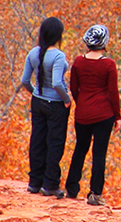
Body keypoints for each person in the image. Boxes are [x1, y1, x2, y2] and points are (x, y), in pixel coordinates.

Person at [65, 24, 120, 206]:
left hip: (83, 114)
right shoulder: (109, 64)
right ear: (104, 42)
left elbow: (73, 88)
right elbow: (113, 92)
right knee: (99, 153)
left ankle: (71, 188)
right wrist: (117, 116)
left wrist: (82, 104)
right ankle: (95, 194)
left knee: (80, 149)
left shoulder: (78, 62)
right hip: (104, 115)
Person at [19, 16, 72, 197]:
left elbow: (25, 80)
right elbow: (57, 83)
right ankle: (50, 184)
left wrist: (36, 93)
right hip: (55, 104)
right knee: (55, 143)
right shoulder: (58, 55)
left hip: (38, 101)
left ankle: (35, 182)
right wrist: (67, 100)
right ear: (58, 35)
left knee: (37, 140)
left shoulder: (33, 53)